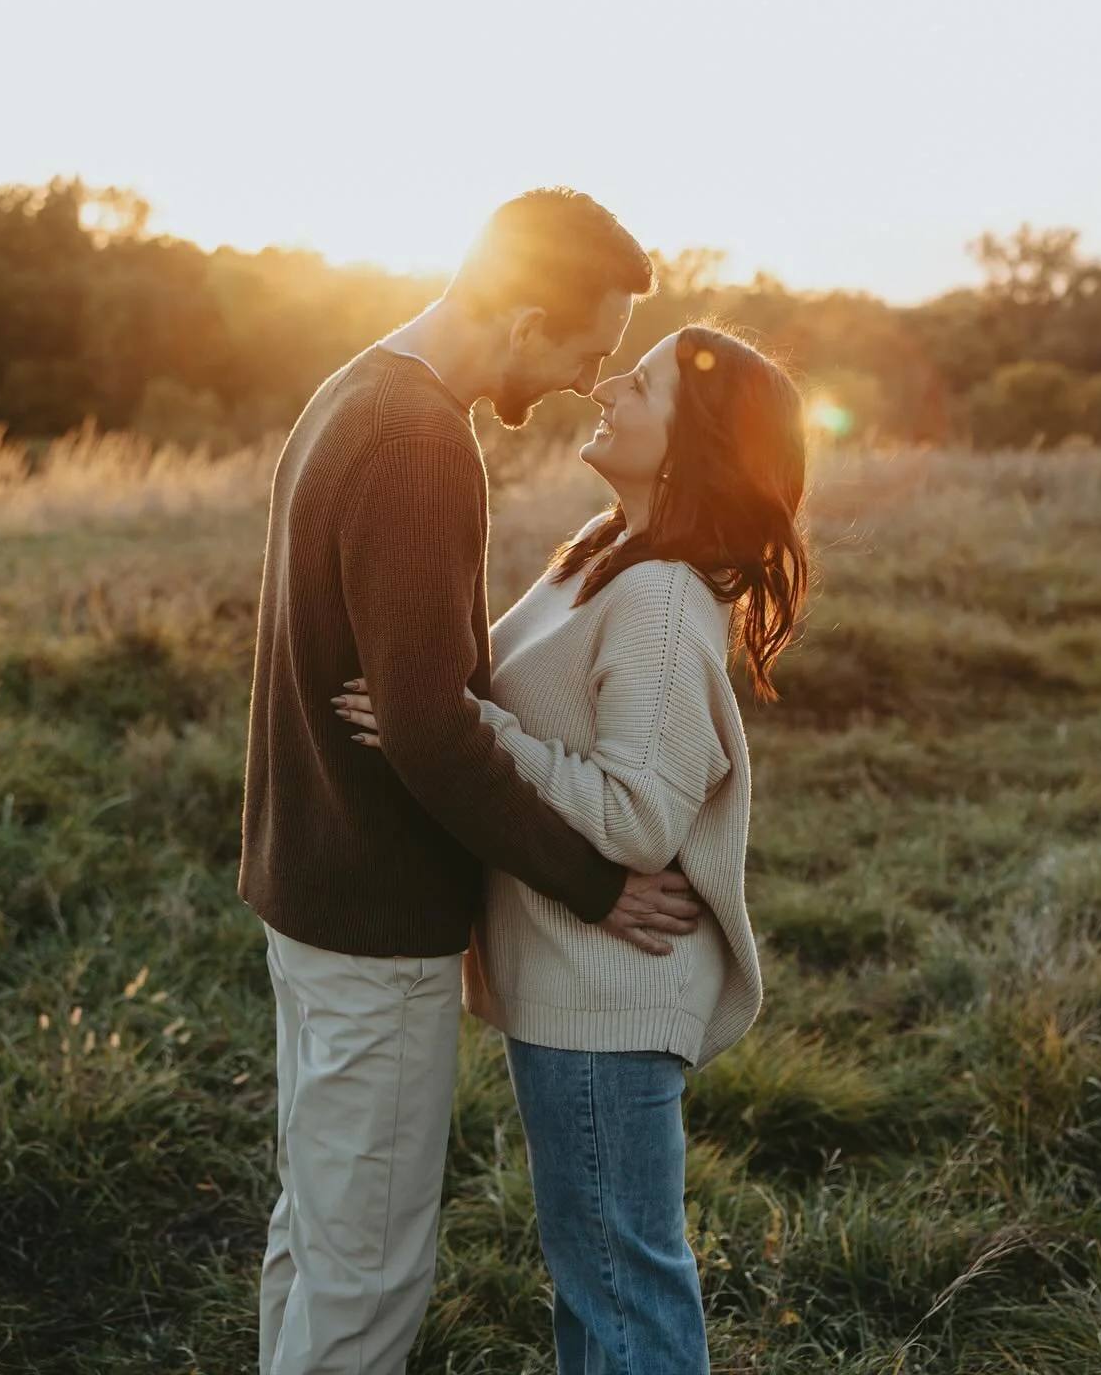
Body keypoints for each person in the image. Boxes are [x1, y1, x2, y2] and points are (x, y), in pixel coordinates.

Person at [239, 189, 704, 1375]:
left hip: (312, 895)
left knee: (314, 1231)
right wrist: (593, 885)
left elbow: (419, 706)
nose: (583, 379)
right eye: (585, 350)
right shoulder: (417, 439)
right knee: (365, 1276)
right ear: (526, 317)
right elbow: (428, 732)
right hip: (375, 917)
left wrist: (432, 708)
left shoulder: (360, 385)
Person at [337, 322, 808, 1375]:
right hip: (568, 981)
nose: (605, 389)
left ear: (688, 449)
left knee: (621, 1288)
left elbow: (639, 819)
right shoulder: (601, 553)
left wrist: (467, 728)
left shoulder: (657, 602)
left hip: (605, 998)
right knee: (595, 1284)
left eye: (637, 387)